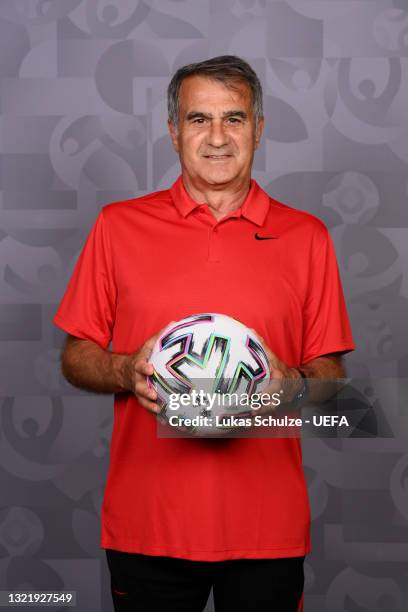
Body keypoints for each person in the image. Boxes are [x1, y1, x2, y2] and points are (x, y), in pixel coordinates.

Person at [53, 55, 355, 612]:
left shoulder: (307, 237)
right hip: (148, 528)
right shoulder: (118, 226)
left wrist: (288, 387)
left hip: (267, 531)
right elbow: (76, 354)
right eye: (199, 119)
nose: (217, 137)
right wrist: (125, 369)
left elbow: (335, 386)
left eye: (234, 118)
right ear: (174, 131)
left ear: (259, 129)